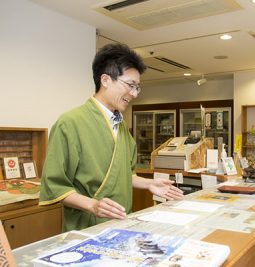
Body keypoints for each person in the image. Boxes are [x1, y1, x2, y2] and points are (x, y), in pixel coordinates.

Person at [39, 43, 183, 232]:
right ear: (105, 80)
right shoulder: (70, 123)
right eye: (130, 85)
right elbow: (54, 186)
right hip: (86, 227)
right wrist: (93, 205)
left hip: (122, 222)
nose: (134, 94)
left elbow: (124, 175)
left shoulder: (122, 126)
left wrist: (149, 184)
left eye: (137, 87)